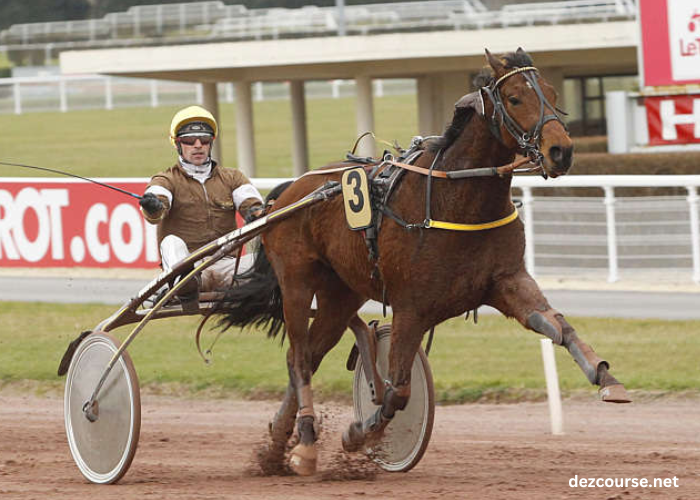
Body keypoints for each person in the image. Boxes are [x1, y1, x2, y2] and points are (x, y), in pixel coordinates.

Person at [139, 105, 264, 310]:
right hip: (191, 268)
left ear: (210, 143)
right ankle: (183, 284)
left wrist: (257, 214)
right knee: (171, 242)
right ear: (177, 144)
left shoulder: (233, 177)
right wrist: (154, 207)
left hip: (229, 268)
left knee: (271, 258)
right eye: (189, 140)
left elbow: (253, 206)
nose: (197, 145)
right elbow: (158, 205)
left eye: (204, 139)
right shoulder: (166, 179)